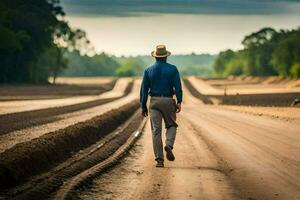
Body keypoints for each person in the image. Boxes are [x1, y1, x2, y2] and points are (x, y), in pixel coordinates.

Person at [140, 44, 183, 168]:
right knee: (172, 125)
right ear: (166, 57)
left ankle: (159, 160)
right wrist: (179, 101)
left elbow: (144, 90)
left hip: (154, 102)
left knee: (156, 131)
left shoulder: (148, 70)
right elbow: (178, 87)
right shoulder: (173, 69)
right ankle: (168, 145)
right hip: (168, 100)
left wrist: (143, 105)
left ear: (155, 57)